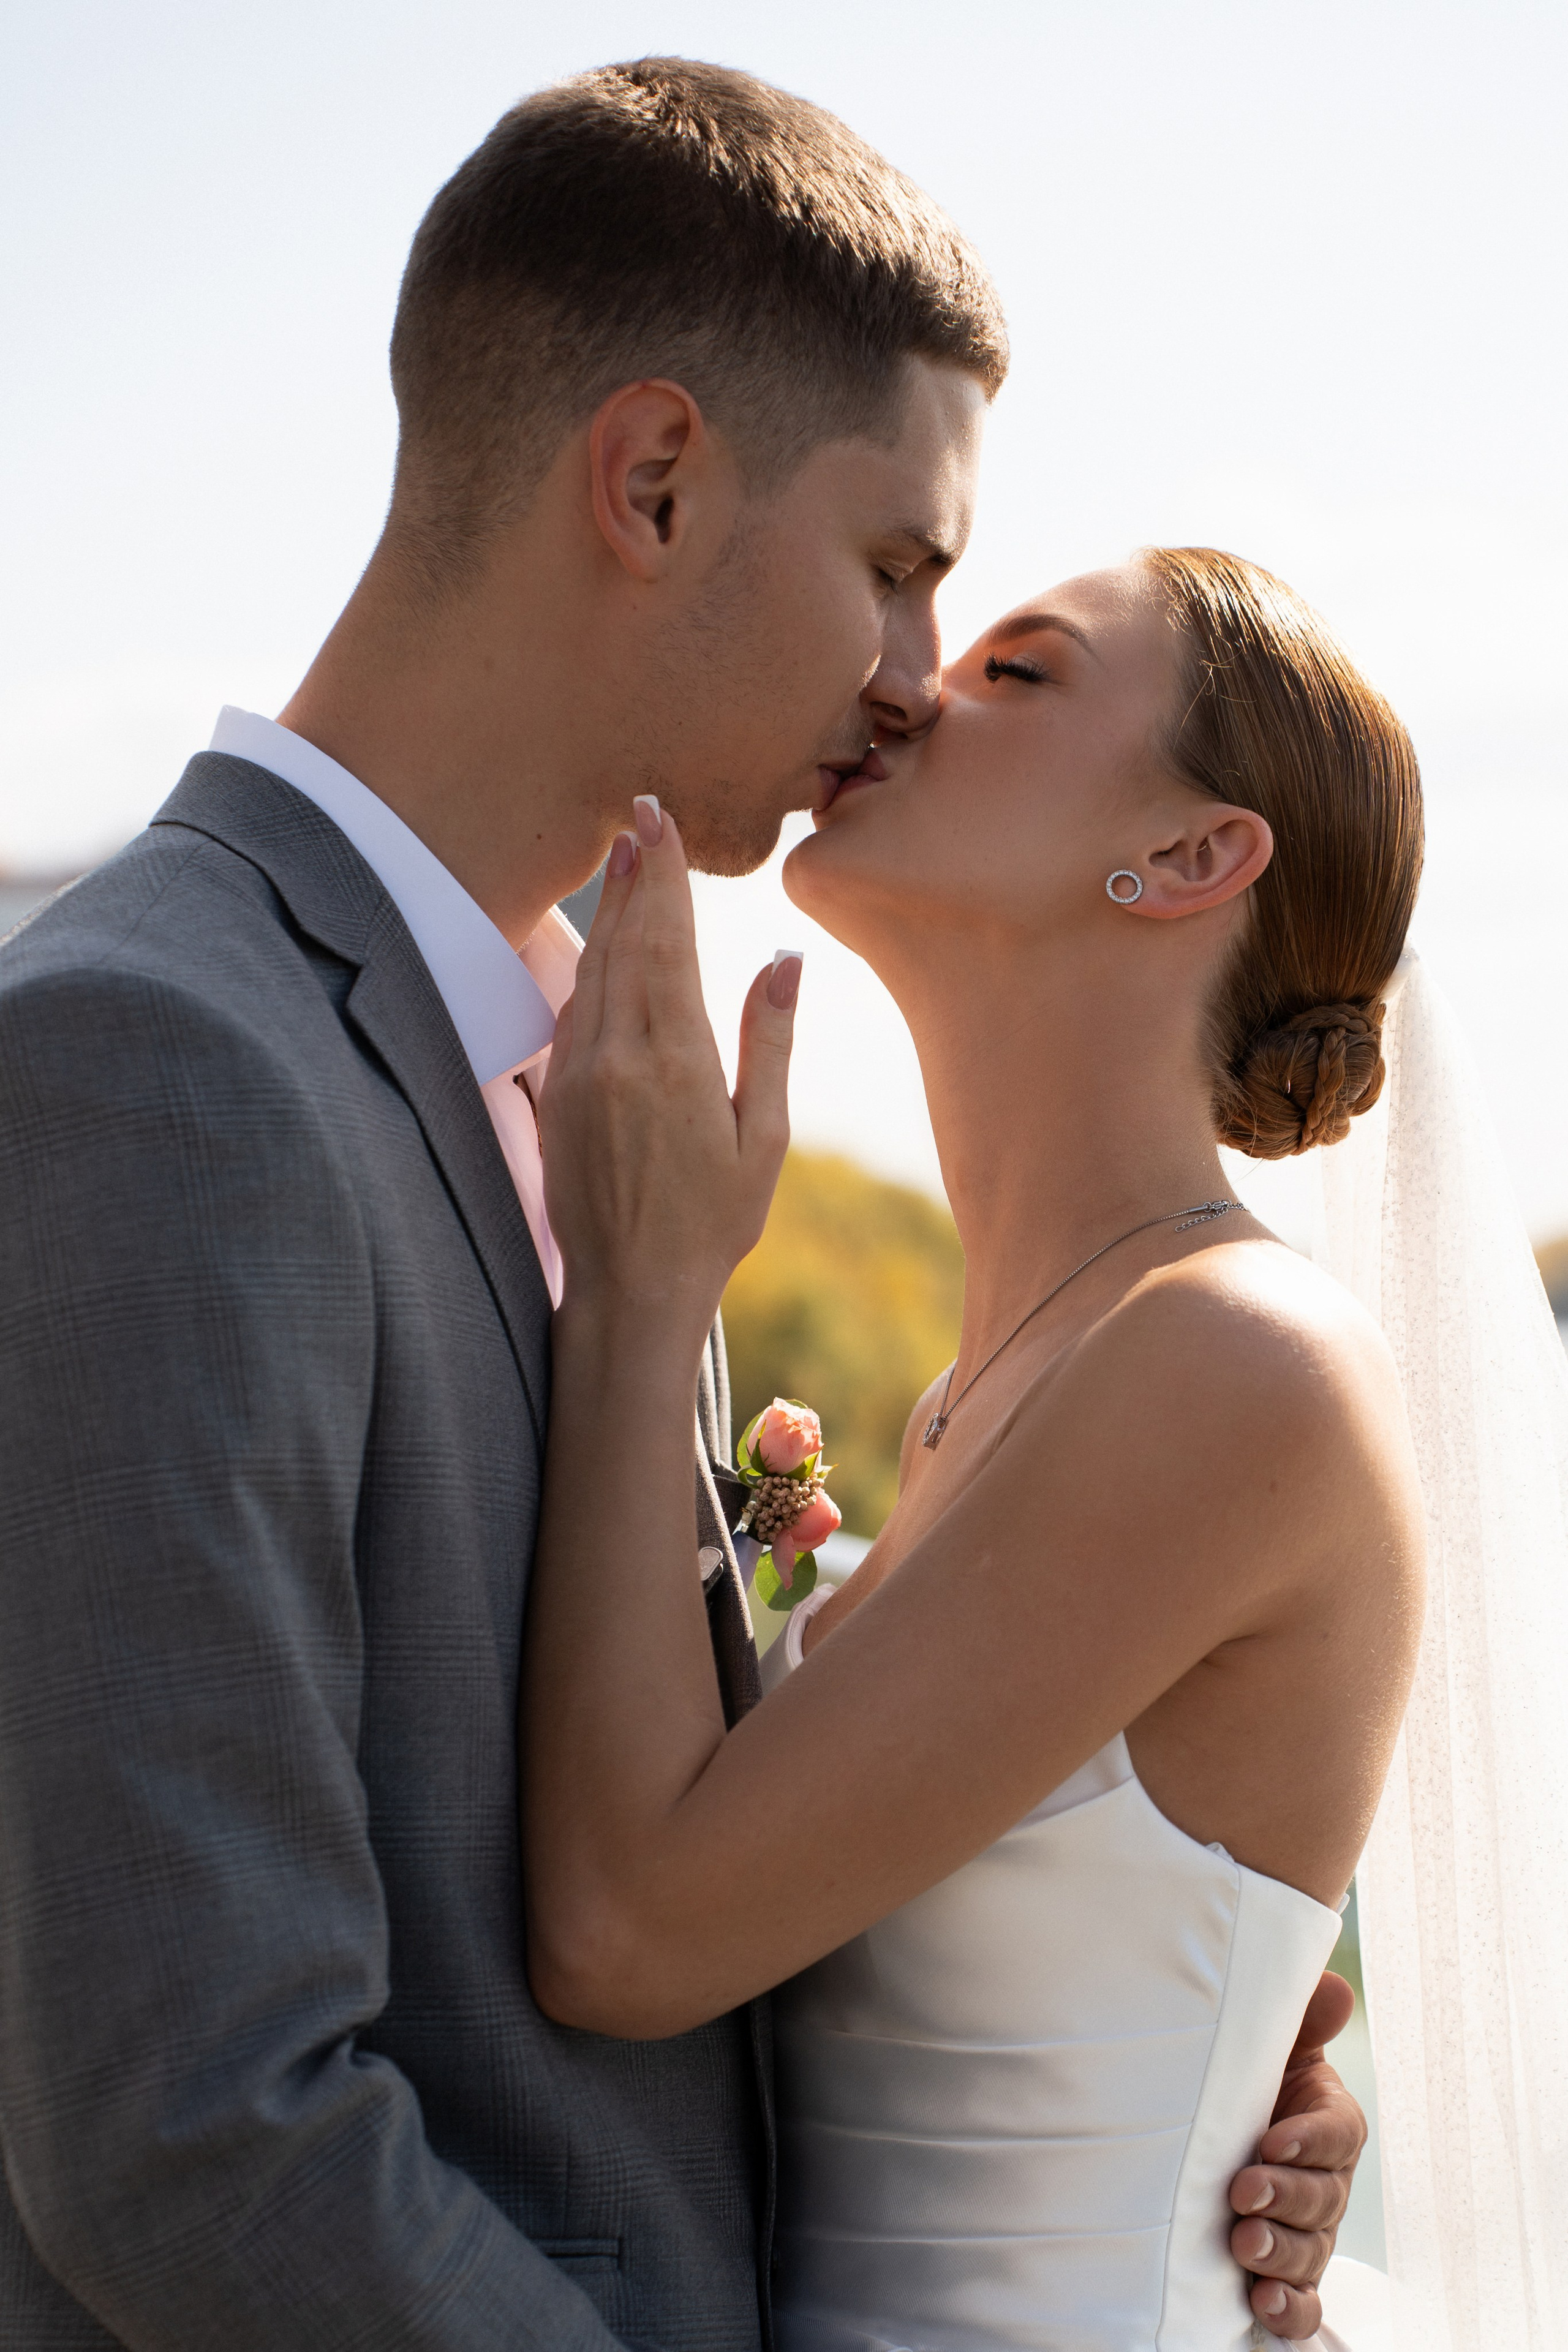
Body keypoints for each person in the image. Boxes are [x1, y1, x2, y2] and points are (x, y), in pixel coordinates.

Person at [0, 61, 1358, 2352]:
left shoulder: (592, 1080)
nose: (913, 681)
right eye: (898, 568)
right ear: (651, 481)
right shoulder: (159, 1063)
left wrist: (1173, 2057)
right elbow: (196, 2132)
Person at [520, 547, 1428, 2350]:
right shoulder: (974, 1402)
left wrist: (643, 1291)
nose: (909, 688)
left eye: (1019, 672)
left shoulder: (1237, 1364)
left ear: (1190, 856)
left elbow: (627, 1934)